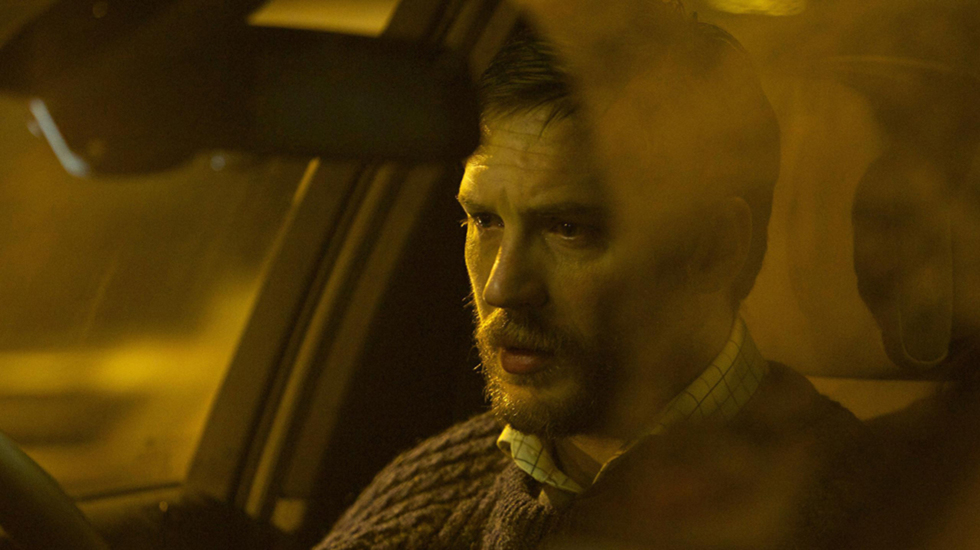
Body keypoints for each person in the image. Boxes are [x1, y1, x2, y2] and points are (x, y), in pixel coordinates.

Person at [316, 2, 875, 548]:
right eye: (484, 221)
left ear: (714, 249)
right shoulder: (424, 495)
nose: (502, 287)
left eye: (568, 229)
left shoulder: (869, 512)